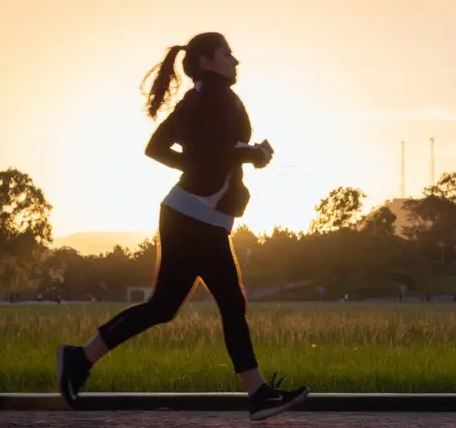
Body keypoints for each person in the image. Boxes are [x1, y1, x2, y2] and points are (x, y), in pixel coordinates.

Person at [56, 32, 310, 421]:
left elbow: (160, 148)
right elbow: (212, 152)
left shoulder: (201, 99)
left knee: (166, 306)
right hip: (194, 217)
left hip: (192, 214)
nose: (235, 61)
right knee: (228, 302)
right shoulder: (211, 100)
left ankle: (80, 357)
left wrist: (206, 166)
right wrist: (252, 153)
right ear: (208, 61)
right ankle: (258, 394)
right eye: (228, 54)